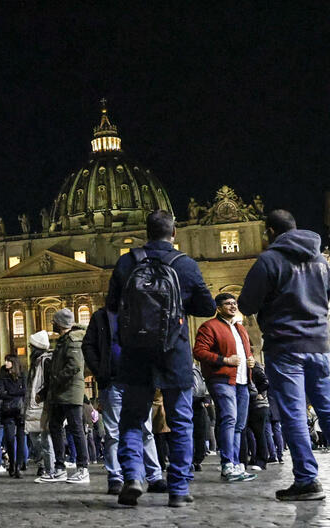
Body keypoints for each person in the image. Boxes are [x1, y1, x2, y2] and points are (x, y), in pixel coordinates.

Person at [238, 209, 330, 500]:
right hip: (319, 345)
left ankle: (307, 480)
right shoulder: (320, 260)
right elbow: (327, 295)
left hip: (285, 346)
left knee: (294, 415)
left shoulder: (269, 260)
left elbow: (246, 304)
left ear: (270, 231)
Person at [107, 210, 216, 507]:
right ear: (174, 233)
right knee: (181, 422)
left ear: (147, 231)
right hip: (174, 352)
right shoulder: (185, 265)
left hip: (135, 354)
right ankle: (179, 489)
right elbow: (207, 307)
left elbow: (111, 306)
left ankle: (132, 476)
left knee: (131, 420)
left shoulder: (127, 262)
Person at [82, 305, 166, 495]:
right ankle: (116, 478)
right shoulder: (101, 316)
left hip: (139, 381)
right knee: (113, 433)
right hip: (112, 381)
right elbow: (88, 345)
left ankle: (154, 476)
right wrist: (99, 370)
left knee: (146, 430)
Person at [192, 293, 258, 482]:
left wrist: (250, 360)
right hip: (222, 380)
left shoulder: (240, 328)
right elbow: (199, 351)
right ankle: (227, 464)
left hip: (243, 381)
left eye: (234, 303)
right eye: (228, 304)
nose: (233, 306)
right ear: (218, 308)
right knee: (229, 419)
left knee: (239, 425)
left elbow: (247, 351)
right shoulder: (209, 327)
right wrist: (224, 360)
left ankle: (236, 464)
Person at [37, 308, 90, 485]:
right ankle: (59, 468)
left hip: (70, 391)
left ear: (60, 323)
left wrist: (56, 379)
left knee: (76, 429)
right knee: (55, 426)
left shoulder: (73, 340)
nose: (52, 324)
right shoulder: (63, 341)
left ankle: (83, 468)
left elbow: (74, 365)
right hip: (59, 392)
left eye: (53, 321)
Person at [24, 330, 55, 480]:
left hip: (43, 405)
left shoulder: (46, 360)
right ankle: (42, 465)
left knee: (45, 439)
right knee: (34, 438)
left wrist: (42, 396)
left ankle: (50, 469)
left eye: (31, 347)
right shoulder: (35, 363)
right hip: (33, 405)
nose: (29, 349)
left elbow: (49, 383)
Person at [0, 354, 27, 478]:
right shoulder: (3, 375)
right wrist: (16, 394)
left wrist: (9, 393)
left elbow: (25, 390)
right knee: (9, 439)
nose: (5, 363)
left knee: (21, 439)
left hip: (20, 411)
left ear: (13, 362)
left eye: (8, 361)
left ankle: (18, 466)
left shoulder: (22, 375)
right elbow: (0, 393)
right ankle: (12, 463)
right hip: (8, 411)